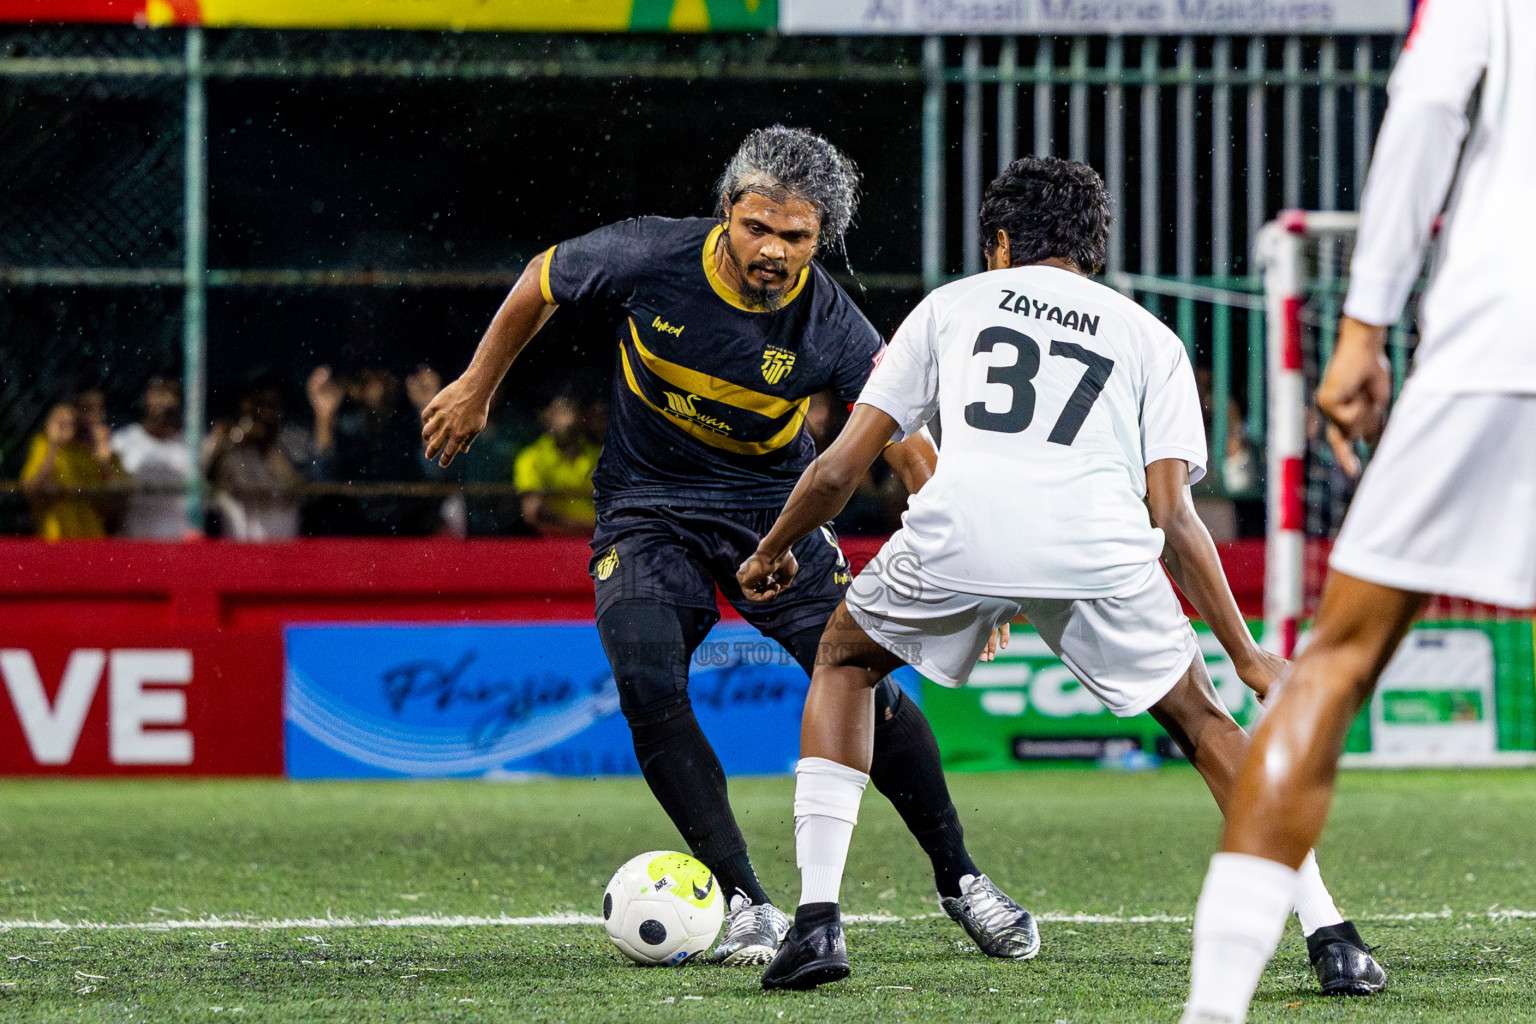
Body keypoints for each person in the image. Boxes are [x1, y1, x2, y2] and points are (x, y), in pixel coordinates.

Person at [736, 156, 1382, 993]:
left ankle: (818, 922)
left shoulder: (951, 306)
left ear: (1002, 244)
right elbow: (1175, 519)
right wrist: (1248, 655)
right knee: (1203, 723)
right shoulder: (1148, 337)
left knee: (845, 660)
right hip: (1095, 546)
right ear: (1091, 249)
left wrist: (773, 548)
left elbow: (838, 469)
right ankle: (1332, 935)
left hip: (963, 533)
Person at [421, 125, 1036, 965]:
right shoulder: (650, 254)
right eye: (758, 227)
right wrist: (476, 385)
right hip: (645, 506)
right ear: (727, 211)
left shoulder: (834, 325)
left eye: (796, 237)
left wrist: (972, 570)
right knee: (646, 680)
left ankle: (961, 878)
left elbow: (909, 450)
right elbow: (541, 279)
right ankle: (746, 900)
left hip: (774, 514)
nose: (772, 250)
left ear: (821, 240)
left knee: (860, 678)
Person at [1179, 2, 1534, 1021]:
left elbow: (1424, 108)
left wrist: (1363, 326)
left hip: (1500, 331)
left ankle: (1215, 1009)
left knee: (1334, 665)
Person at [19, 399, 120, 540]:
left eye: (69, 423)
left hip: (90, 538)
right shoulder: (42, 444)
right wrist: (54, 448)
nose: (62, 427)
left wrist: (102, 454)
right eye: (59, 421)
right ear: (47, 423)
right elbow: (30, 490)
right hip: (56, 540)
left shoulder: (87, 451)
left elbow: (113, 499)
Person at [111, 376, 193, 539]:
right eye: (161, 393)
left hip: (180, 543)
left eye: (173, 394)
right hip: (137, 542)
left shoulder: (191, 444)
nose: (168, 401)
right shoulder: (122, 442)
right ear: (146, 397)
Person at [514, 394, 601, 536]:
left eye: (572, 409)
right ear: (545, 416)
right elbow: (534, 514)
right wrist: (594, 526)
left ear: (581, 416)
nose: (568, 419)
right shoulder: (531, 458)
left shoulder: (601, 455)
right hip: (552, 542)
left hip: (600, 541)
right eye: (560, 411)